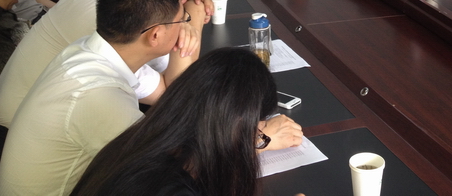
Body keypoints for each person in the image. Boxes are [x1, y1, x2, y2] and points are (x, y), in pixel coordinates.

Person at [0, 0, 208, 195]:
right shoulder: (98, 96)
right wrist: (195, 25)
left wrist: (188, 14)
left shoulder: (91, 49)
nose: (185, 27)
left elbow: (170, 95)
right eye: (182, 21)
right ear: (155, 35)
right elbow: (180, 166)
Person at [0, 0, 211, 129]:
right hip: (15, 127)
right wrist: (193, 15)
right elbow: (171, 92)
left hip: (26, 117)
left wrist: (180, 7)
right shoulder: (103, 18)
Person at [70, 48, 304, 196]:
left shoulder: (140, 142)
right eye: (256, 133)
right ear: (231, 124)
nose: (254, 141)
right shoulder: (169, 188)